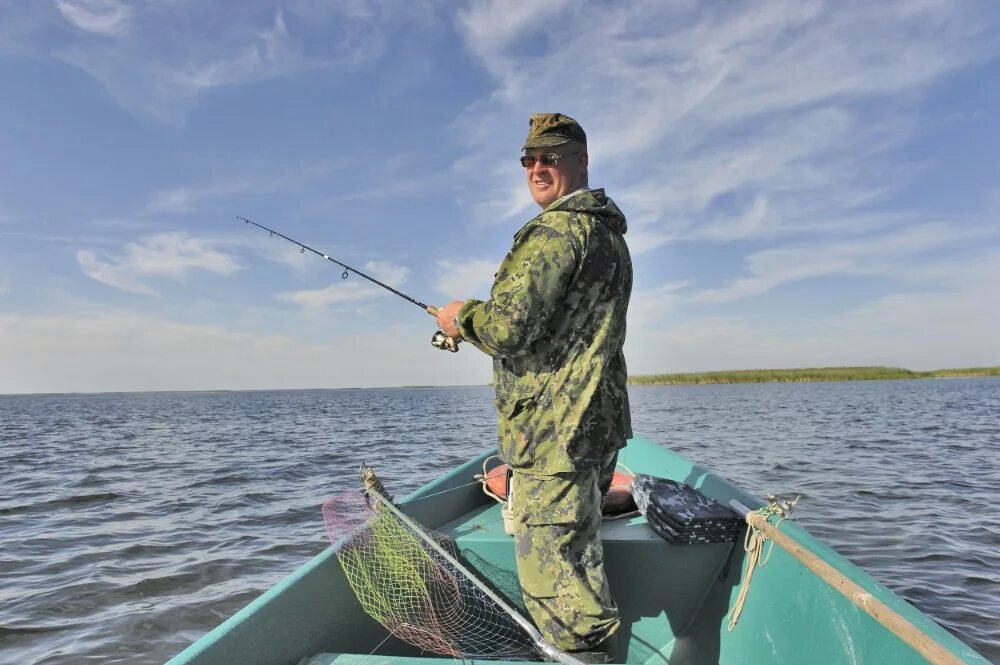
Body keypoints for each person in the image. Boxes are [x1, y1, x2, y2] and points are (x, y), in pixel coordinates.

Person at [435, 113, 632, 662]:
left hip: (555, 435)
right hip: (593, 426)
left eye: (552, 156)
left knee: (559, 589)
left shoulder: (557, 232)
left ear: (582, 160)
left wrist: (459, 316)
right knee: (575, 558)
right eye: (529, 159)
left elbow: (507, 328)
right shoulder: (608, 236)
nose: (538, 168)